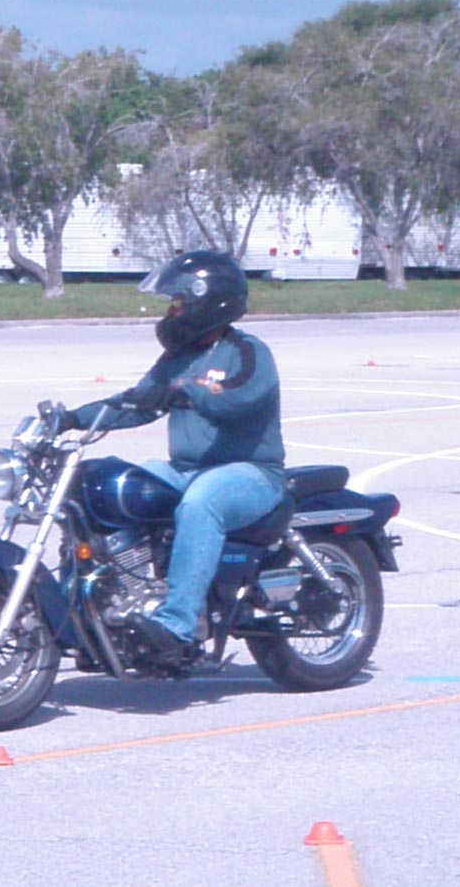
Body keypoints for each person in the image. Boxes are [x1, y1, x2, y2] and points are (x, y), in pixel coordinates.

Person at [60, 249, 286, 655]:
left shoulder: (248, 352)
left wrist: (187, 392)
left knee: (201, 503)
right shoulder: (178, 358)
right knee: (104, 486)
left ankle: (177, 624)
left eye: (179, 304)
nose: (172, 312)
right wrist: (73, 418)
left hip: (251, 472)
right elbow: (136, 402)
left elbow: (238, 399)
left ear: (208, 303)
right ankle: (96, 607)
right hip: (185, 470)